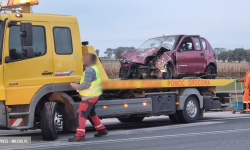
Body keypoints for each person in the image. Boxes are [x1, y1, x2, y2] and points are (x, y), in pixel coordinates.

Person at [68, 53, 108, 142]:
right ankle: (101, 130)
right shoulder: (94, 68)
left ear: (90, 60)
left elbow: (86, 85)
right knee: (91, 113)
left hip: (89, 97)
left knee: (81, 114)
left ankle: (80, 136)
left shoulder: (89, 70)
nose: (84, 60)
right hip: (95, 95)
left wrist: (75, 86)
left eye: (86, 58)